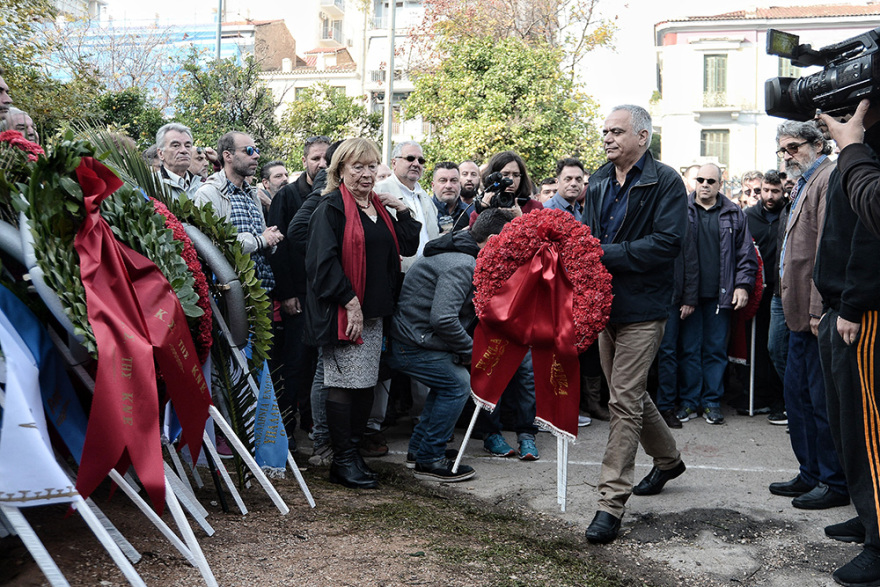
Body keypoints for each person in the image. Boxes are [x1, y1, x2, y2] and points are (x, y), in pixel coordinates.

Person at [581, 104, 687, 544]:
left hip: (645, 307)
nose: (607, 138)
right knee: (629, 394)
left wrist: (604, 255)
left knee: (622, 400)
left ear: (643, 137)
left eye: (616, 131)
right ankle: (669, 461)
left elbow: (667, 243)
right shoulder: (600, 179)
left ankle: (610, 503)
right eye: (604, 131)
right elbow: (587, 237)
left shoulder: (666, 181)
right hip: (606, 306)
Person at [304, 138, 420, 489]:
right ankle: (342, 461)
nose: (367, 174)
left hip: (374, 313)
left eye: (371, 166)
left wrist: (401, 208)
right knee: (343, 386)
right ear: (340, 170)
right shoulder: (331, 208)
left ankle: (353, 454)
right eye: (358, 167)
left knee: (365, 385)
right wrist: (350, 302)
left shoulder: (379, 207)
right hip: (344, 313)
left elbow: (408, 245)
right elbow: (322, 264)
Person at [389, 208, 514, 481]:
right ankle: (430, 458)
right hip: (411, 343)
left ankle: (419, 450)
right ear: (494, 238)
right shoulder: (461, 263)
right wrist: (471, 353)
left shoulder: (463, 251)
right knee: (457, 384)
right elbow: (443, 319)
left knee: (449, 383)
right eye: (510, 242)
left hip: (417, 339)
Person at [815, 97, 880, 587]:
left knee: (869, 431)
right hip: (840, 307)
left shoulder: (867, 150)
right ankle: (868, 514)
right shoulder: (855, 149)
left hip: (861, 312)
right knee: (848, 425)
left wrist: (854, 306)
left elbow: (869, 236)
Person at [769, 120, 849, 510]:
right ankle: (810, 472)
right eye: (783, 150)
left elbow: (825, 250)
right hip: (794, 307)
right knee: (797, 396)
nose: (789, 155)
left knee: (819, 400)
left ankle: (833, 480)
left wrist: (818, 308)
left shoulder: (828, 177)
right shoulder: (803, 182)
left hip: (813, 310)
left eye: (795, 147)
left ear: (819, 145)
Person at [676, 163, 757, 425]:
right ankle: (689, 402)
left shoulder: (735, 213)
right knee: (688, 349)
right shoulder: (680, 210)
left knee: (715, 350)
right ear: (694, 182)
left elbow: (746, 256)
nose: (705, 184)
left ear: (720, 184)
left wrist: (743, 286)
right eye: (700, 179)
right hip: (688, 296)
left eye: (711, 180)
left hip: (721, 298)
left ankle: (711, 401)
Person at [269, 136, 330, 460]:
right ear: (304, 160)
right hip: (296, 294)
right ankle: (285, 429)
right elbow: (279, 247)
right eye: (316, 158)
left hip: (323, 293)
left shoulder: (332, 193)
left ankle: (312, 423)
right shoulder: (287, 195)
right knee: (293, 364)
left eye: (326, 159)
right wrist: (287, 293)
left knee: (316, 366)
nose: (321, 164)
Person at [194, 132, 283, 294]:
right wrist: (261, 240)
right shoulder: (209, 193)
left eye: (256, 150)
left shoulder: (252, 194)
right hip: (233, 297)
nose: (256, 156)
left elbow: (262, 240)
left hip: (263, 291)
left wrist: (271, 239)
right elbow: (214, 247)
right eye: (248, 150)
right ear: (228, 156)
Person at [740, 170, 786, 417]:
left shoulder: (788, 215)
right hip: (757, 290)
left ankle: (781, 399)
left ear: (782, 191)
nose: (769, 196)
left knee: (776, 347)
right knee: (755, 348)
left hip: (780, 293)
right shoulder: (748, 216)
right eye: (765, 190)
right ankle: (758, 396)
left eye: (774, 191)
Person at [374, 140, 438, 272]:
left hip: (429, 275)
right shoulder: (378, 192)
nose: (416, 164)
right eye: (410, 158)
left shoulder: (426, 197)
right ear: (394, 163)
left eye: (421, 161)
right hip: (395, 275)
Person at [155, 123, 202, 200]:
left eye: (187, 146)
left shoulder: (201, 187)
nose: (184, 150)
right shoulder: (151, 185)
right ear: (161, 153)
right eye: (176, 146)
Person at [431, 161, 470, 233]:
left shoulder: (469, 212)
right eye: (443, 181)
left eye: (453, 181)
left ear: (460, 185)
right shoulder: (423, 211)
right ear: (433, 186)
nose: (448, 186)